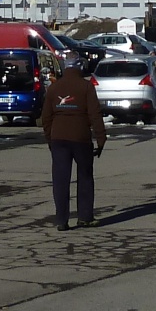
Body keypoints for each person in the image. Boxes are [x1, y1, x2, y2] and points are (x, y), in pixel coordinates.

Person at [39, 53, 106, 230]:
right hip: (81, 138)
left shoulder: (54, 88)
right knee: (84, 176)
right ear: (80, 67)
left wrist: (50, 139)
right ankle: (84, 217)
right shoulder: (86, 87)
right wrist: (101, 138)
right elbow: (94, 114)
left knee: (60, 180)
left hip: (58, 138)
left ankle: (62, 220)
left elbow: (46, 117)